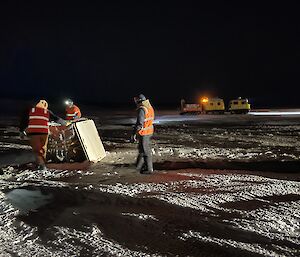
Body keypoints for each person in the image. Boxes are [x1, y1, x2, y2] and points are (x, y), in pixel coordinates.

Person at [21, 100, 65, 171]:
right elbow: (57, 119)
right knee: (43, 148)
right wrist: (65, 123)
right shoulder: (47, 111)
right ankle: (42, 163)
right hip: (44, 133)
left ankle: (41, 165)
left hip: (33, 133)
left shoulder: (31, 110)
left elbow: (24, 121)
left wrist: (21, 131)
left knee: (37, 150)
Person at [131, 94, 155, 174]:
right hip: (149, 131)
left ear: (139, 101)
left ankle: (149, 169)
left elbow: (139, 124)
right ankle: (138, 167)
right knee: (141, 149)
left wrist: (134, 134)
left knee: (145, 151)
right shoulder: (149, 107)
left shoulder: (142, 109)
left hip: (144, 133)